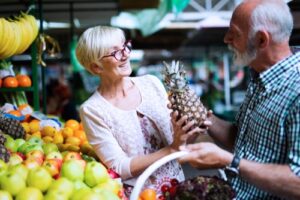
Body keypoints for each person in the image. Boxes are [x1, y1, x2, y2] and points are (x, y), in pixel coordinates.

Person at [178, 0, 300, 199]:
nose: (226, 39)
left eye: (234, 33)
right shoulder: (260, 78)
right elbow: (243, 140)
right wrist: (202, 116)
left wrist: (229, 161)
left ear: (261, 39)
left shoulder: (297, 90)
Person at [76, 25, 200, 195]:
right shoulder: (92, 110)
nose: (126, 54)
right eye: (115, 52)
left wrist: (191, 129)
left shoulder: (152, 83)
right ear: (96, 67)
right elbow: (120, 167)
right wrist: (172, 148)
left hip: (178, 186)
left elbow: (177, 143)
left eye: (125, 46)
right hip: (140, 195)